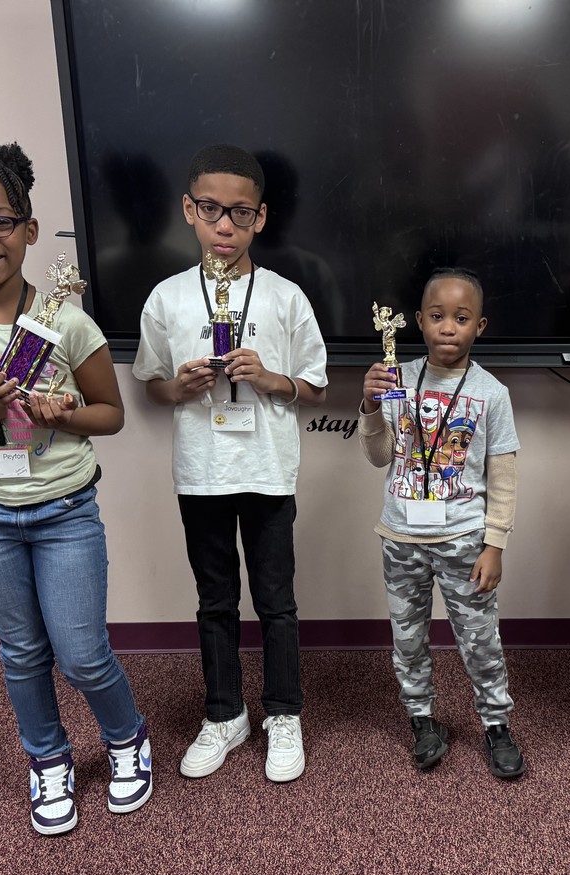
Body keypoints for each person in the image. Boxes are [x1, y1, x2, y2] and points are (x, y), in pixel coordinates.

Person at [0, 136, 153, 836]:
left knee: (82, 652)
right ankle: (47, 759)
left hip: (65, 511)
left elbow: (111, 414)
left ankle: (128, 737)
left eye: (0, 221)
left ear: (29, 230)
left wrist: (63, 410)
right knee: (21, 652)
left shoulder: (64, 320)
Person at [133, 144, 328, 783]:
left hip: (269, 470)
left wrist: (273, 381)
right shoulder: (166, 298)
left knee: (277, 601)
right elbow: (151, 385)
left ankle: (283, 712)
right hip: (201, 472)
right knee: (214, 600)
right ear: (188, 210)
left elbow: (317, 388)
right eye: (211, 210)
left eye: (239, 213)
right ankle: (224, 714)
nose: (225, 225)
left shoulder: (285, 296)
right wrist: (180, 389)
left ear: (261, 219)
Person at [358, 268, 524, 778]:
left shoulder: (491, 393)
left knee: (480, 640)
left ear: (481, 326)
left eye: (461, 317)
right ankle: (421, 718)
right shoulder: (397, 379)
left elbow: (504, 474)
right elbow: (380, 455)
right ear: (417, 322)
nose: (448, 327)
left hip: (462, 540)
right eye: (436, 316)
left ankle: (496, 724)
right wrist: (368, 406)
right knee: (407, 639)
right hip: (401, 539)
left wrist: (494, 542)